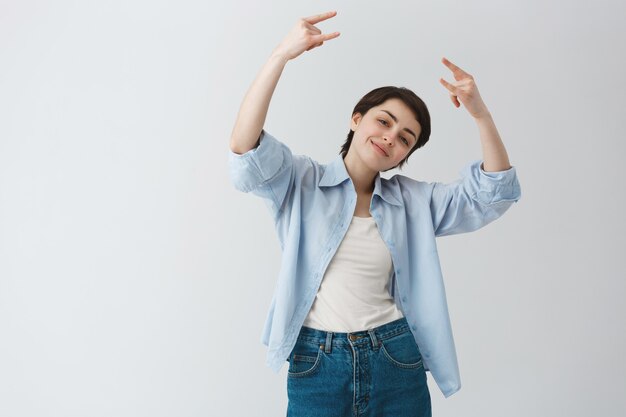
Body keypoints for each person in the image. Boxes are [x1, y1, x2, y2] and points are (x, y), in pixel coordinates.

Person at [228, 10, 521, 417]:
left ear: (405, 156)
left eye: (405, 138)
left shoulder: (414, 202)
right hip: (317, 363)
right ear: (357, 118)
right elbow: (246, 151)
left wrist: (480, 115)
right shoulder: (301, 181)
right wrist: (281, 55)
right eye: (384, 121)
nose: (390, 137)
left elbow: (493, 195)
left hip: (396, 359)